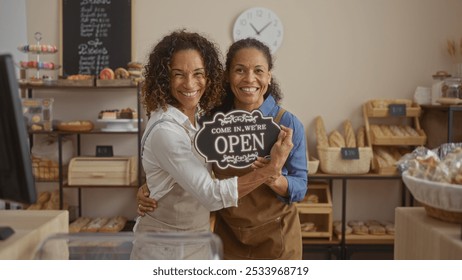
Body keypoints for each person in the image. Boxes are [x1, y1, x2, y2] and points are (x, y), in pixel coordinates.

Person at [137, 37, 308, 260]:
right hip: (228, 238)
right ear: (226, 75)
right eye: (239, 70)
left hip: (276, 237)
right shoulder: (211, 120)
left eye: (258, 70)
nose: (249, 79)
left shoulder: (287, 124)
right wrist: (152, 183)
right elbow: (191, 165)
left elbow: (300, 187)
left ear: (268, 76)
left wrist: (274, 177)